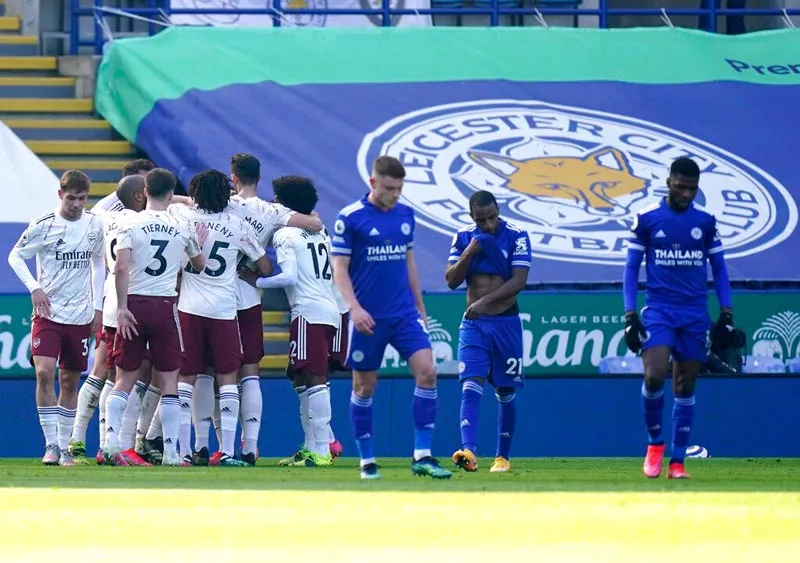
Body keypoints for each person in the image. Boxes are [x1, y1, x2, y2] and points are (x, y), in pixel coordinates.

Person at [331, 156, 451, 480]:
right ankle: (366, 460)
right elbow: (339, 267)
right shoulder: (350, 218)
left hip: (403, 315)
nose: (395, 194)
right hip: (368, 319)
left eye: (399, 188)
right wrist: (354, 308)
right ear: (373, 183)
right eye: (389, 188)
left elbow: (409, 262)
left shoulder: (405, 215)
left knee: (427, 372)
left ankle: (422, 455)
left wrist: (420, 305)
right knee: (365, 386)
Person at [623, 157, 735, 480]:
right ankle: (654, 444)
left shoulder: (706, 222)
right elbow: (631, 269)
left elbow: (720, 269)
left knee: (685, 385)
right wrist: (630, 315)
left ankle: (677, 462)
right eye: (681, 186)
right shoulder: (647, 219)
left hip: (694, 314)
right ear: (668, 181)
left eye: (692, 189)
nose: (686, 194)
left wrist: (726, 312)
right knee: (655, 374)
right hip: (659, 310)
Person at [224, 154, 323, 466]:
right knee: (250, 371)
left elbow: (182, 199)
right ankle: (250, 447)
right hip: (250, 294)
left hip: (214, 295)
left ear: (234, 177)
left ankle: (209, 446)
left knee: (213, 372)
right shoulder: (273, 210)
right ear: (259, 178)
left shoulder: (224, 203)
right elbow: (314, 222)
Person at [105, 168, 205, 466]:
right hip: (164, 305)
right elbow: (198, 266)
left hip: (134, 303)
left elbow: (120, 268)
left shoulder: (129, 222)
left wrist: (121, 308)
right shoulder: (182, 226)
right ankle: (173, 453)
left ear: (145, 190)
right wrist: (193, 247)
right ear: (172, 194)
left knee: (124, 377)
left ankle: (110, 444)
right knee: (169, 380)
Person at [171, 169, 272, 467]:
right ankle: (228, 450)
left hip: (189, 308)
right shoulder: (236, 224)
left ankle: (190, 449)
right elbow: (265, 266)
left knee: (188, 377)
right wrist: (251, 273)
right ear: (226, 194)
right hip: (224, 310)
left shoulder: (183, 220)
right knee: (228, 376)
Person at [240, 176, 340, 467]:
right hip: (326, 308)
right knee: (297, 374)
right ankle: (312, 445)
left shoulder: (286, 236)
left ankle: (321, 449)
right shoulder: (322, 234)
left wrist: (258, 280)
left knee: (314, 377)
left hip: (308, 311)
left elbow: (290, 277)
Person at [7, 170, 105, 466]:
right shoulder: (43, 225)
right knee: (44, 373)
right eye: (72, 198)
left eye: (82, 198)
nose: (77, 204)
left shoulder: (94, 226)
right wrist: (35, 288)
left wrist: (98, 308)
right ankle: (51, 445)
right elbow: (15, 256)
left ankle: (64, 448)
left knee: (70, 379)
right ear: (60, 195)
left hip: (80, 314)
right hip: (48, 313)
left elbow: (99, 263)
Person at [446, 190, 531, 473]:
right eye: (482, 220)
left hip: (505, 323)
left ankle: (502, 457)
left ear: (499, 211)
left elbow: (519, 281)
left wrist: (484, 302)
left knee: (505, 391)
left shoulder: (517, 235)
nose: (489, 224)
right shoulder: (462, 237)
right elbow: (451, 281)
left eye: (493, 217)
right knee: (470, 385)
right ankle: (468, 451)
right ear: (472, 217)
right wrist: (470, 251)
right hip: (474, 326)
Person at [67, 174, 147, 465]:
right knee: (122, 374)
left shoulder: (102, 214)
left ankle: (84, 440)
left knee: (105, 372)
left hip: (109, 301)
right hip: (126, 301)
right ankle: (116, 445)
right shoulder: (133, 220)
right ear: (139, 192)